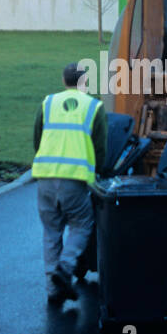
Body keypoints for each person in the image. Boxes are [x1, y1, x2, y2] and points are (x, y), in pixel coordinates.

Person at [33, 62, 106, 304]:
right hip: (74, 180)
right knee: (82, 223)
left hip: (45, 177)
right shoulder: (94, 107)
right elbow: (100, 148)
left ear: (63, 80)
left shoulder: (48, 103)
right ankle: (65, 268)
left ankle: (53, 290)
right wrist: (99, 173)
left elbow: (37, 138)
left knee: (51, 231)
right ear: (85, 82)